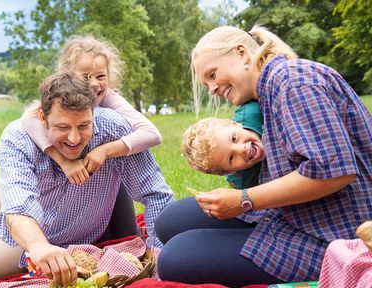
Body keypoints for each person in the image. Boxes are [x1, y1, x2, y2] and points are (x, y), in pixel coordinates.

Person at [155, 25, 372, 287]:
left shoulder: (293, 83)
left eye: (213, 75)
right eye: (207, 83)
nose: (211, 89)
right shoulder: (268, 90)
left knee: (175, 258)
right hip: (292, 213)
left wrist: (244, 200)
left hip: (335, 232)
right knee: (170, 220)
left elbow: (334, 173)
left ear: (242, 53)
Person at [0, 71, 172, 285]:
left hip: (76, 237)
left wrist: (160, 255)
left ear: (93, 113)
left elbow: (155, 193)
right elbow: (18, 208)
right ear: (42, 118)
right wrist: (39, 247)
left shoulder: (113, 128)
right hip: (27, 231)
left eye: (83, 126)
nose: (74, 138)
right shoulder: (16, 137)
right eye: (63, 127)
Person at [21, 35, 162, 185]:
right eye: (85, 77)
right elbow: (28, 119)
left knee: (120, 203)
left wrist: (104, 151)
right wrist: (64, 162)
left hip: (107, 173)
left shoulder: (109, 97)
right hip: (62, 176)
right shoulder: (59, 100)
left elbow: (152, 134)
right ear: (69, 76)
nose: (94, 84)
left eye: (101, 76)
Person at [183, 100, 263, 189]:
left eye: (234, 138)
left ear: (235, 124)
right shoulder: (244, 183)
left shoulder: (253, 111)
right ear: (228, 172)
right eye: (231, 158)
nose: (242, 149)